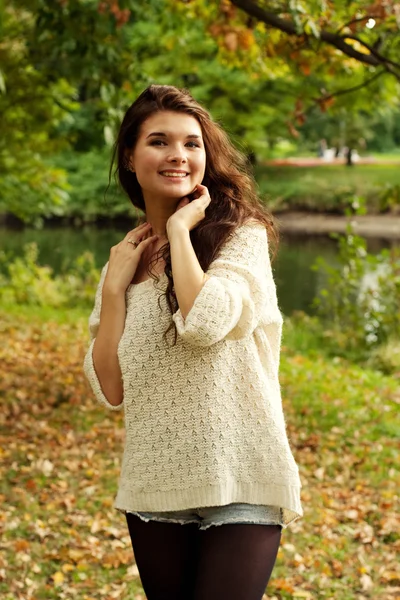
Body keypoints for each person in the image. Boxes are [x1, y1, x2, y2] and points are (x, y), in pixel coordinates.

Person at [83, 84, 303, 600]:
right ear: (131, 159)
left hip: (242, 476)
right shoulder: (125, 258)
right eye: (159, 141)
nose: (178, 155)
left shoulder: (240, 237)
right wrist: (115, 287)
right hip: (155, 484)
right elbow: (109, 388)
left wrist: (181, 232)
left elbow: (204, 322)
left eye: (192, 143)